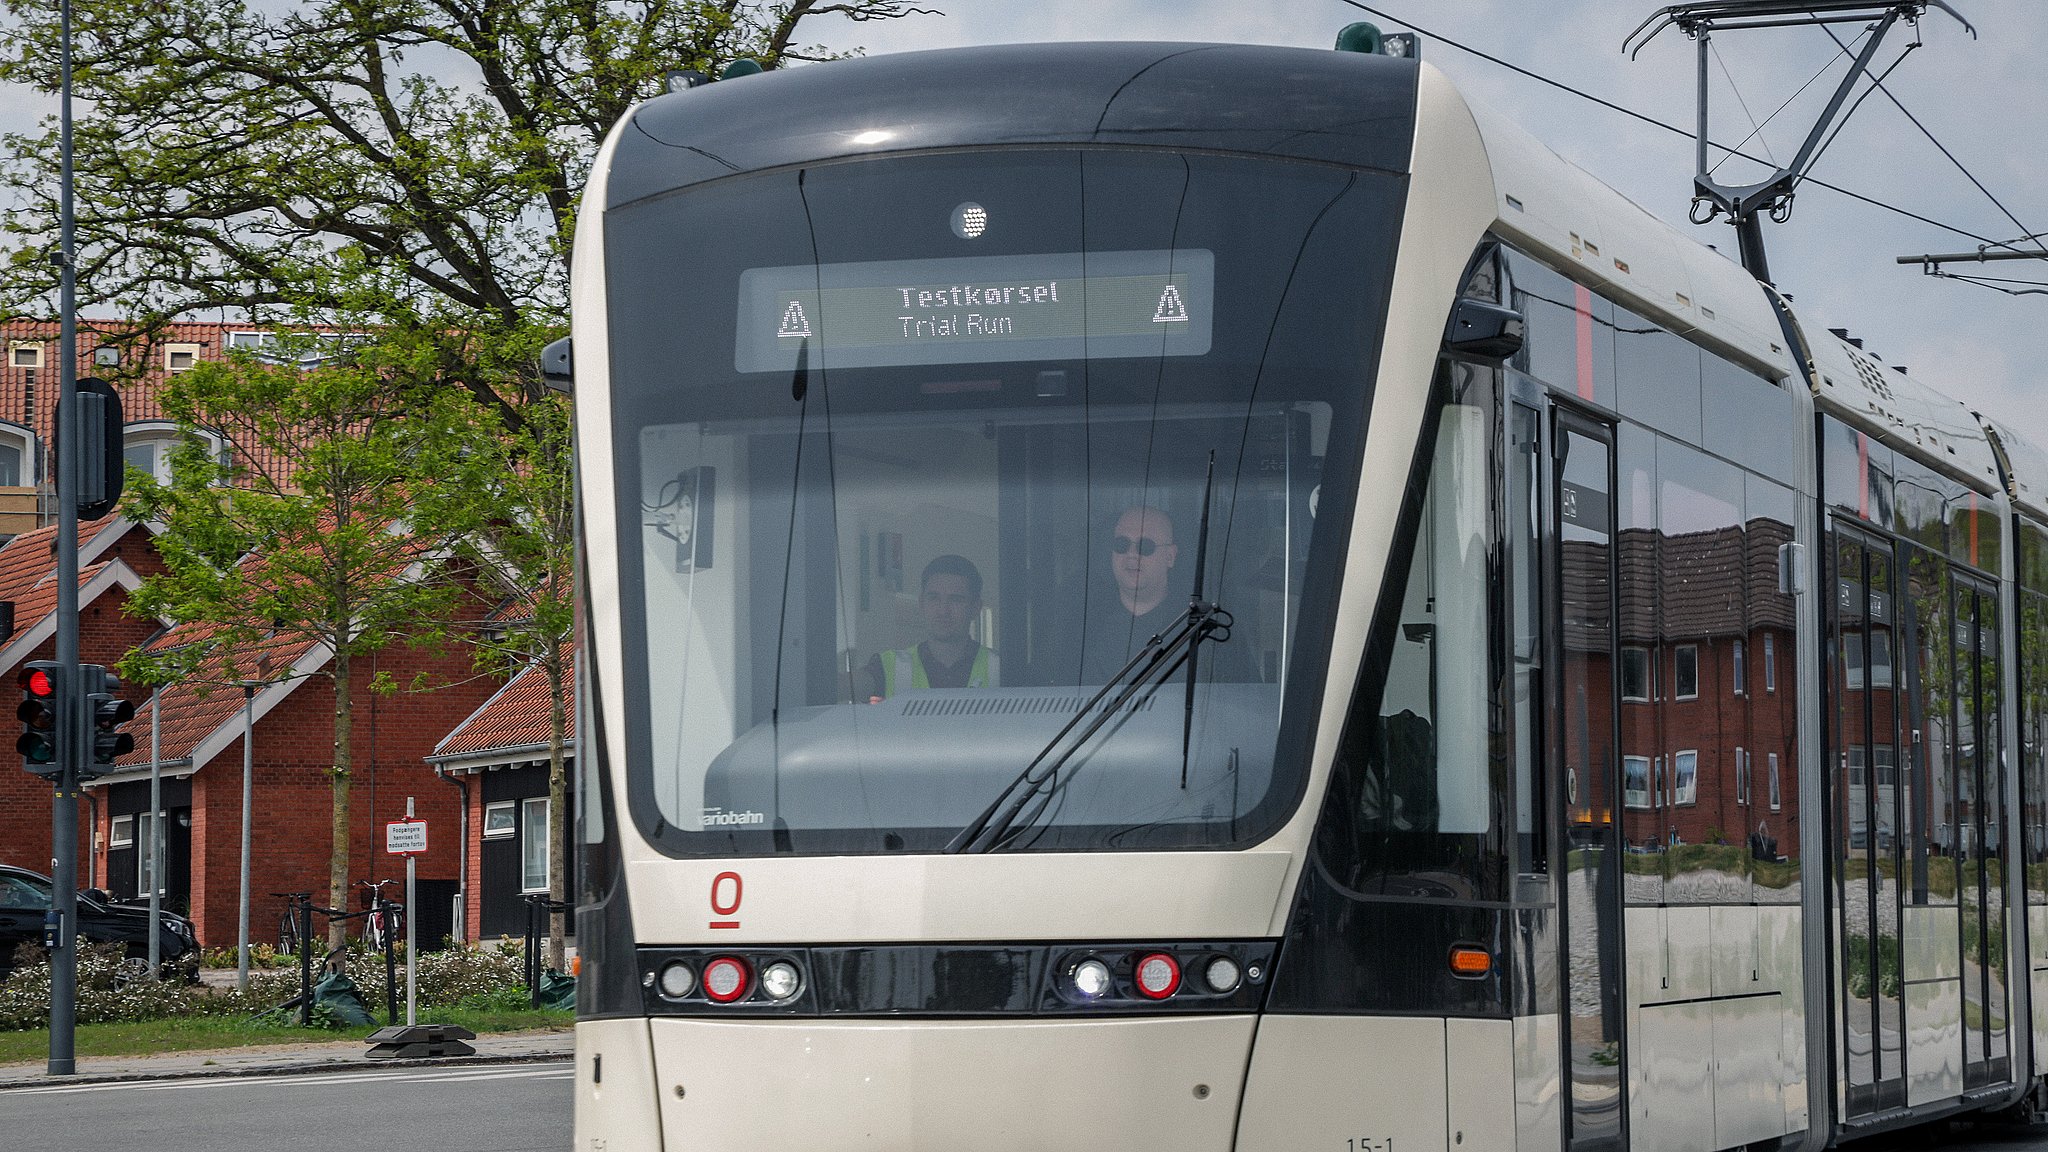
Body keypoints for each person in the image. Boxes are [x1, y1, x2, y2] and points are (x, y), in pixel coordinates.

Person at [859, 554, 999, 700]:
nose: (943, 611)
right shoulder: (886, 667)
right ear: (921, 603)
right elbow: (843, 687)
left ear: (976, 608)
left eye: (956, 600)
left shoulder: (1002, 669)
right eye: (934, 598)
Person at [1080, 505, 1186, 683]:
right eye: (1121, 545)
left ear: (1170, 556)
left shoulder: (1200, 627)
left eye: (1145, 546)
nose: (1131, 555)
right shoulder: (1079, 628)